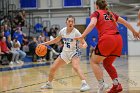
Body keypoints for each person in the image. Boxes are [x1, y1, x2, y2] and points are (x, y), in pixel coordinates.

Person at [74, 0, 140, 93]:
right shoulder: (111, 14)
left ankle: (101, 84)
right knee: (107, 63)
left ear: (96, 6)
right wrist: (134, 31)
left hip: (108, 39)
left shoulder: (96, 13)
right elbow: (125, 22)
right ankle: (116, 85)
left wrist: (82, 35)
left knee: (94, 61)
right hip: (118, 40)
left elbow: (92, 24)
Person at [40, 15, 90, 92]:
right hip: (65, 53)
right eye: (69, 21)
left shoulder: (76, 32)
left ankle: (85, 84)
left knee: (75, 67)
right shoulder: (63, 31)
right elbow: (56, 40)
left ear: (74, 23)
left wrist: (82, 46)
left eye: (72, 21)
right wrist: (45, 43)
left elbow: (85, 44)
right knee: (53, 68)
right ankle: (49, 84)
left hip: (74, 52)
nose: (70, 23)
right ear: (66, 22)